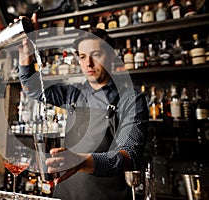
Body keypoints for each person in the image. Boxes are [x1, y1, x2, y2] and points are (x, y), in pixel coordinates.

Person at [17, 13, 149, 200]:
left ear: (111, 56)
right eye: (82, 56)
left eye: (96, 55)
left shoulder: (130, 99)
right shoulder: (74, 93)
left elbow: (130, 155)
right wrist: (26, 53)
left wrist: (81, 161)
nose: (88, 63)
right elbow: (32, 88)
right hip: (64, 194)